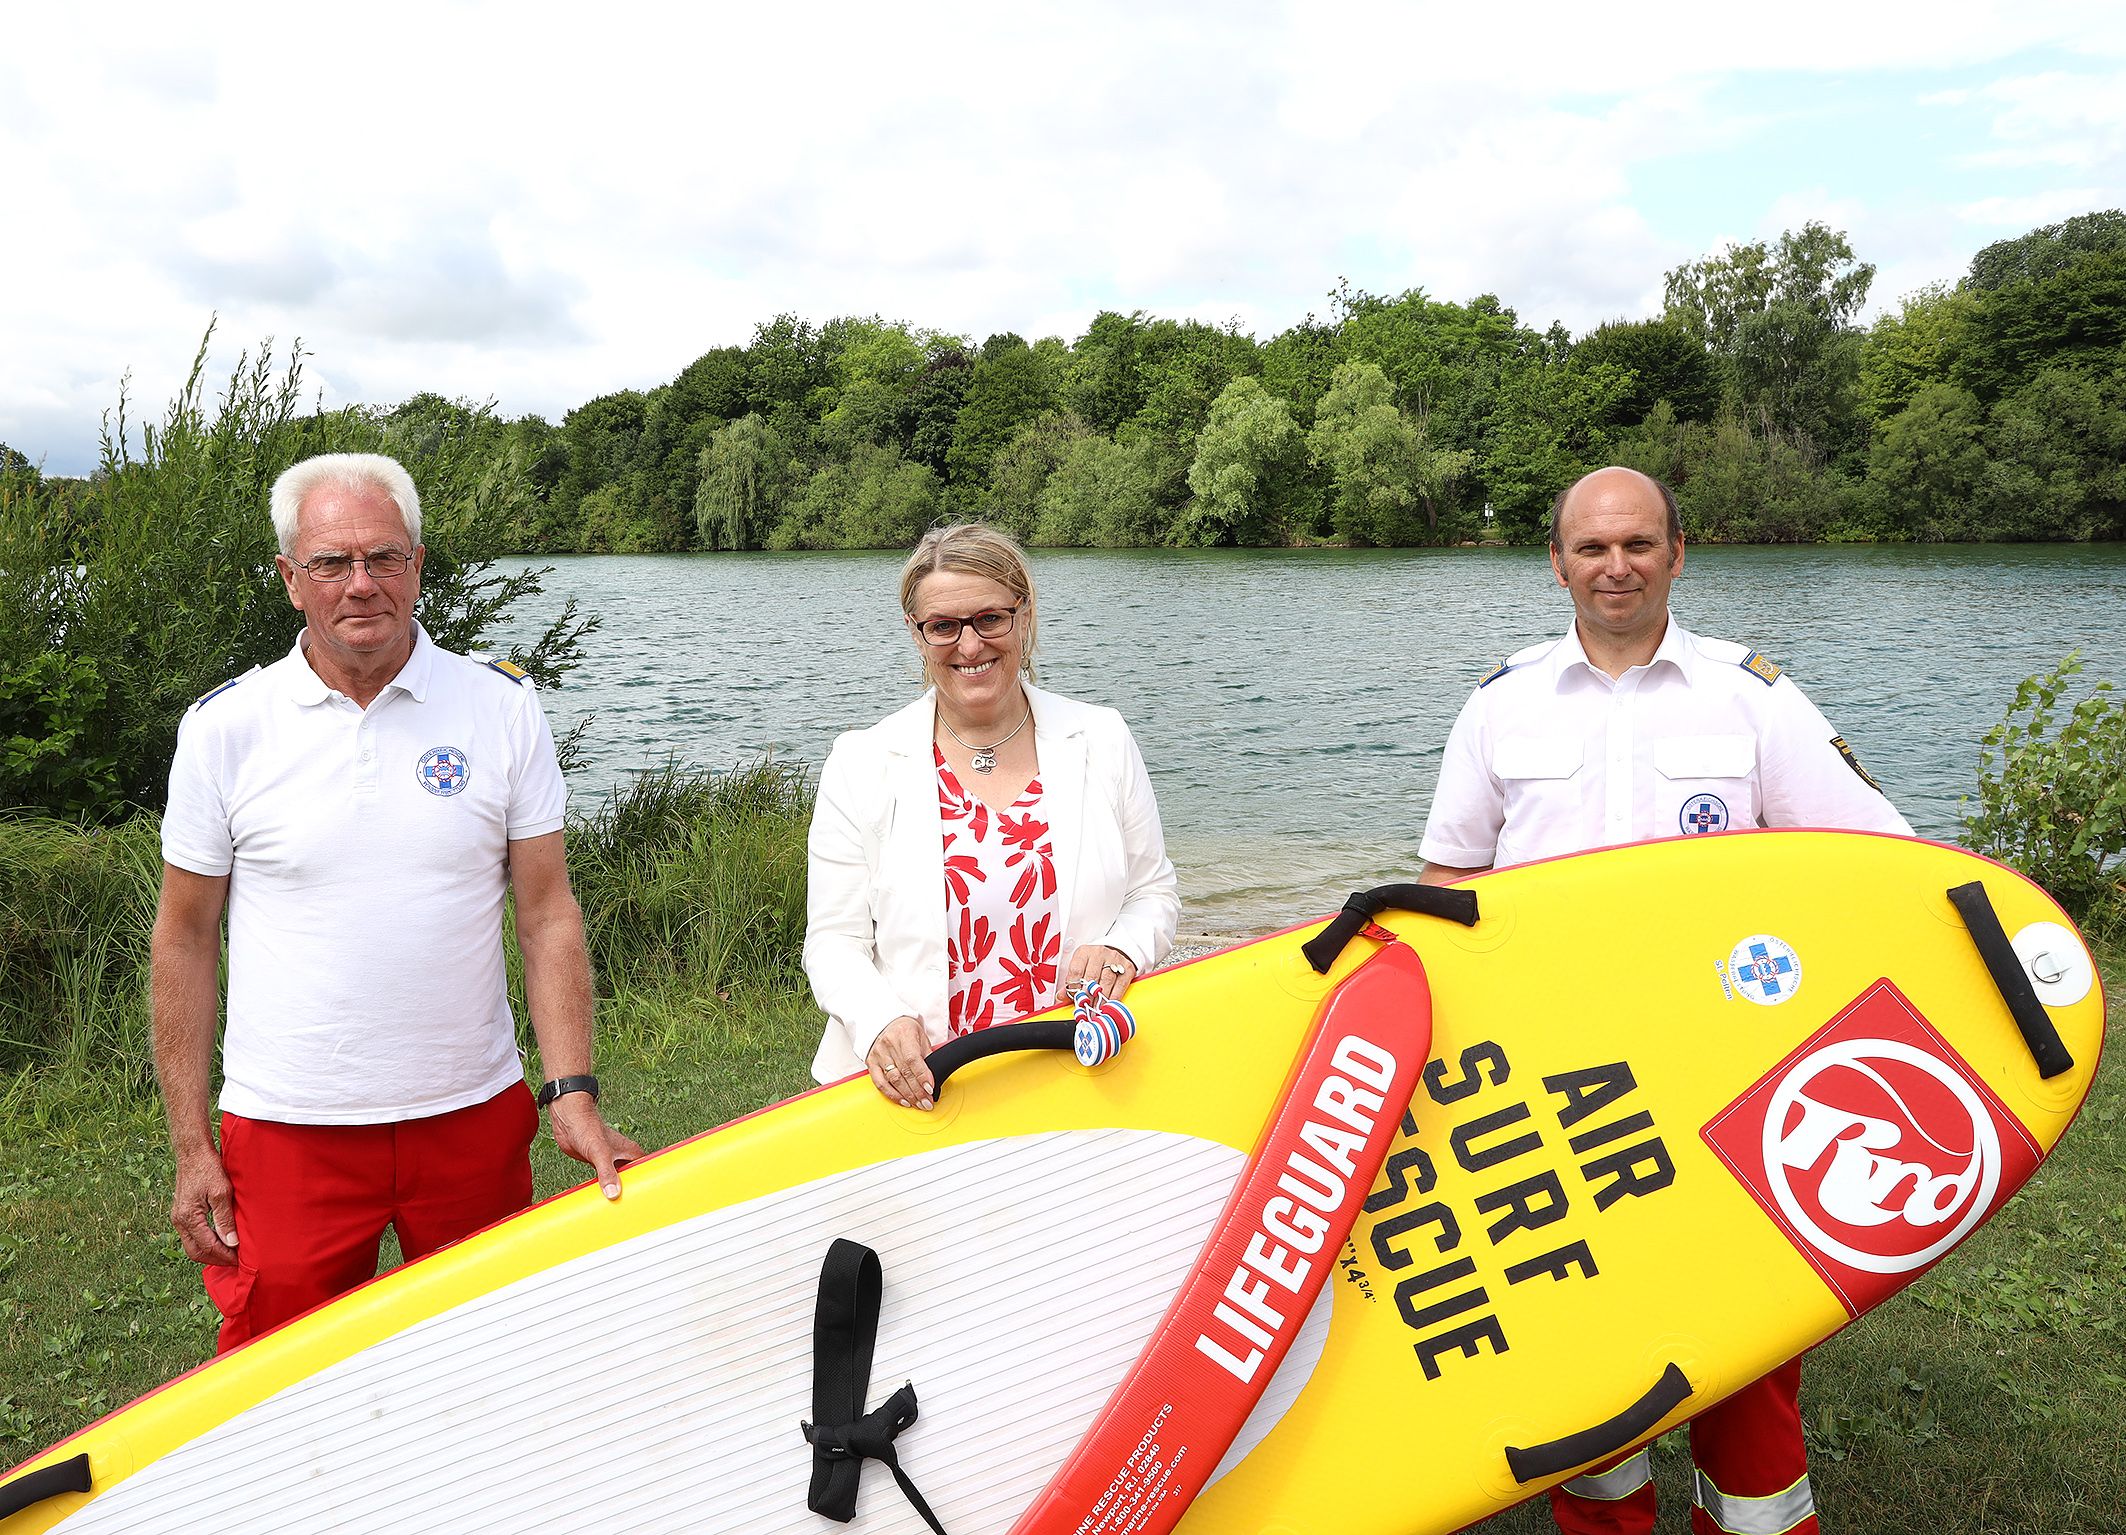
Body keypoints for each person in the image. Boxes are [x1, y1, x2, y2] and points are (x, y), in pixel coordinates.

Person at [1418, 466, 1911, 1535]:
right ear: (1554, 563)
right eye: (1590, 548)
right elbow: (1448, 882)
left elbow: (1879, 859)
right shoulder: (1499, 705)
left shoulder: (1751, 695)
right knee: (1584, 1333)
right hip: (1557, 1083)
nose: (1614, 565)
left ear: (1677, 553)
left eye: (1637, 543)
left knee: (1745, 1327)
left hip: (1728, 1069)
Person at [152, 451, 642, 1354]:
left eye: (383, 557)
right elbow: (184, 938)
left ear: (419, 564)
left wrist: (570, 1089)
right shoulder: (225, 727)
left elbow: (546, 913)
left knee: (478, 1355)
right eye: (331, 562)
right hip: (289, 1124)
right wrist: (192, 1146)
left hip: (470, 1113)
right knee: (280, 1373)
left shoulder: (500, 708)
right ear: (291, 580)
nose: (361, 583)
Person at [805, 523, 1179, 1108]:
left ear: (1023, 616)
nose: (970, 645)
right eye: (944, 626)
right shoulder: (862, 761)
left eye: (989, 619)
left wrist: (1125, 948)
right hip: (919, 1088)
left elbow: (1153, 892)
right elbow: (832, 943)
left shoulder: (1101, 737)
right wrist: (878, 1020)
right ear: (916, 632)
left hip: (1075, 1073)